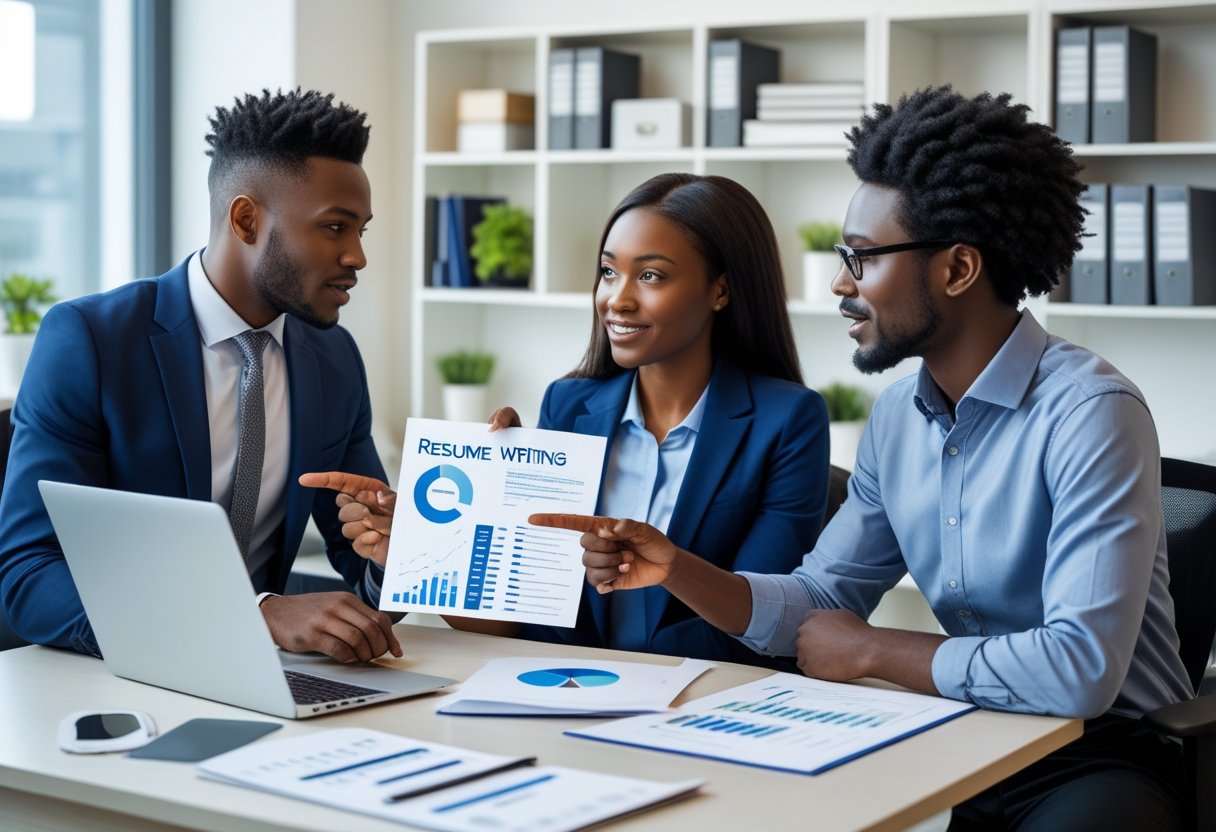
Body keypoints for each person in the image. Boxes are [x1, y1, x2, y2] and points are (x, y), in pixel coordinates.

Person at [530, 88, 1193, 830]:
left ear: (959, 268)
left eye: (864, 258)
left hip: (1103, 753)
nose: (842, 284)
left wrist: (875, 649)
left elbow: (1078, 672)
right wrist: (677, 568)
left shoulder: (1091, 413)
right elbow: (820, 601)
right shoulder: (897, 418)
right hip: (970, 734)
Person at [303, 172, 829, 667]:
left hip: (709, 696)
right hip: (569, 689)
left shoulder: (788, 420)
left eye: (650, 275)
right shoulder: (569, 406)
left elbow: (763, 623)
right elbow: (524, 623)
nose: (616, 300)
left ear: (721, 290)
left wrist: (670, 567)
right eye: (607, 272)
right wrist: (435, 549)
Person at [0, 88, 402, 664]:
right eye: (335, 228)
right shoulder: (89, 340)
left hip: (267, 679)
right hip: (115, 679)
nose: (358, 256)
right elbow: (28, 576)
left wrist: (393, 559)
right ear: (246, 219)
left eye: (361, 230)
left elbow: (362, 564)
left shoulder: (334, 360)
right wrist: (256, 612)